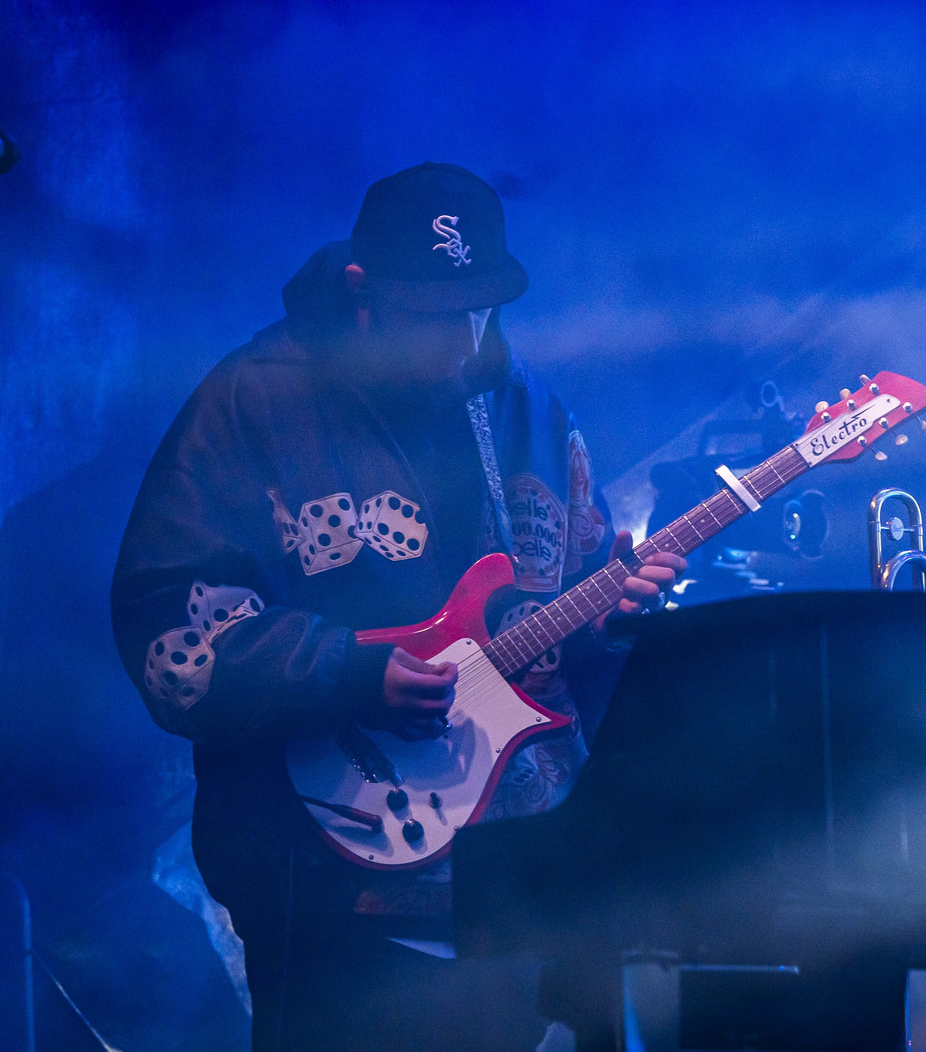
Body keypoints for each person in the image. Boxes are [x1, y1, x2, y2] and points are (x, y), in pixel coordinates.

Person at [110, 162, 686, 1052]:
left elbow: (562, 632)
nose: (463, 343)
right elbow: (169, 631)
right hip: (331, 893)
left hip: (516, 884)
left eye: (479, 309)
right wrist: (347, 670)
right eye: (433, 317)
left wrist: (607, 621)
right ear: (362, 293)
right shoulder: (253, 400)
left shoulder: (532, 410)